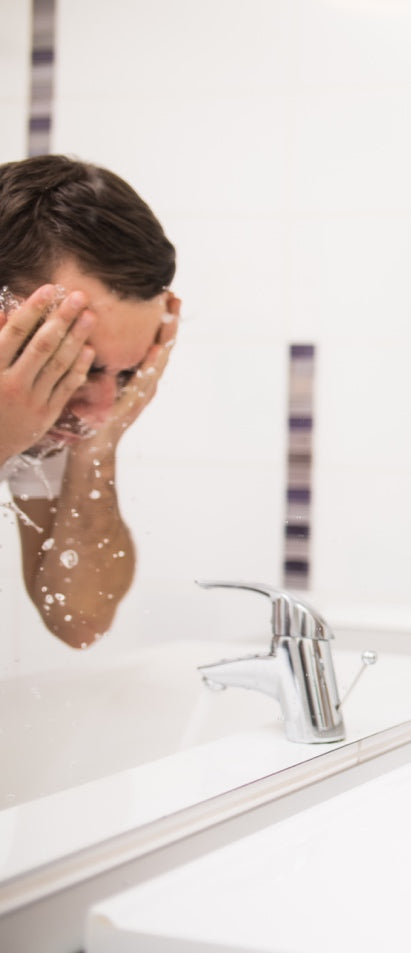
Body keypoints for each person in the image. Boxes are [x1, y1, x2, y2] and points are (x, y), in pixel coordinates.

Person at [1, 154, 179, 649]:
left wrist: (97, 445)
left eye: (128, 373)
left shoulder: (39, 407)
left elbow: (79, 619)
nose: (99, 407)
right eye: (79, 366)